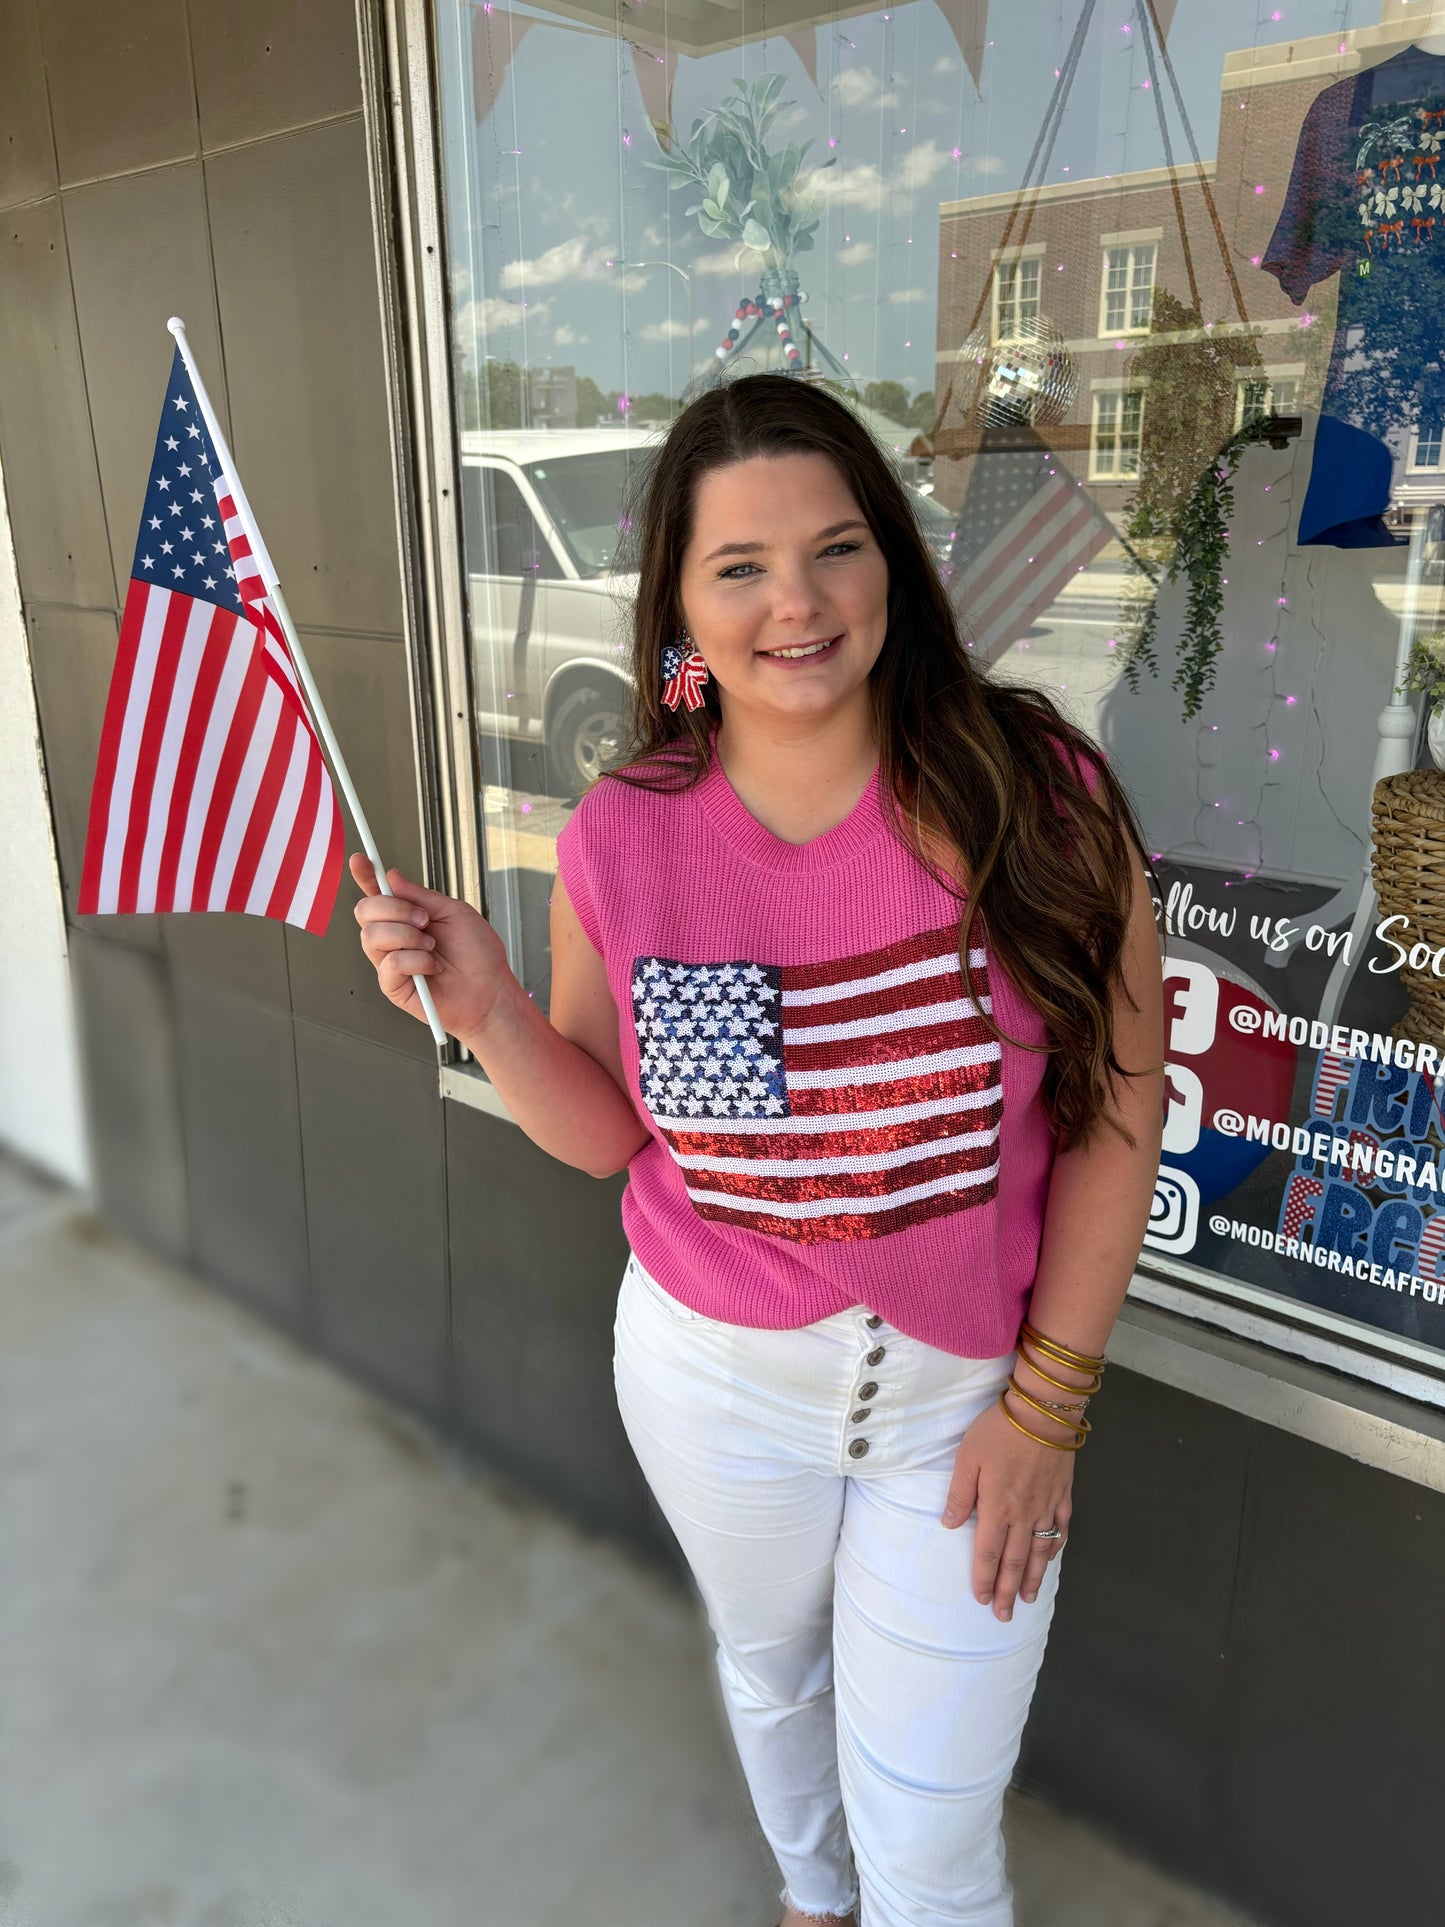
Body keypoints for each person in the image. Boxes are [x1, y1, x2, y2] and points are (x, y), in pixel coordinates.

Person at [351, 374, 1164, 1927]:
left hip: (963, 1416)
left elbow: (1120, 1113)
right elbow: (609, 1135)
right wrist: (488, 1007)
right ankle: (806, 1894)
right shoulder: (625, 831)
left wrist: (1045, 1415)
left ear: (891, 569)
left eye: (835, 548)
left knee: (931, 1840)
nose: (793, 602)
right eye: (738, 566)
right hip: (710, 1388)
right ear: (674, 599)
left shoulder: (1036, 794)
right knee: (770, 1670)